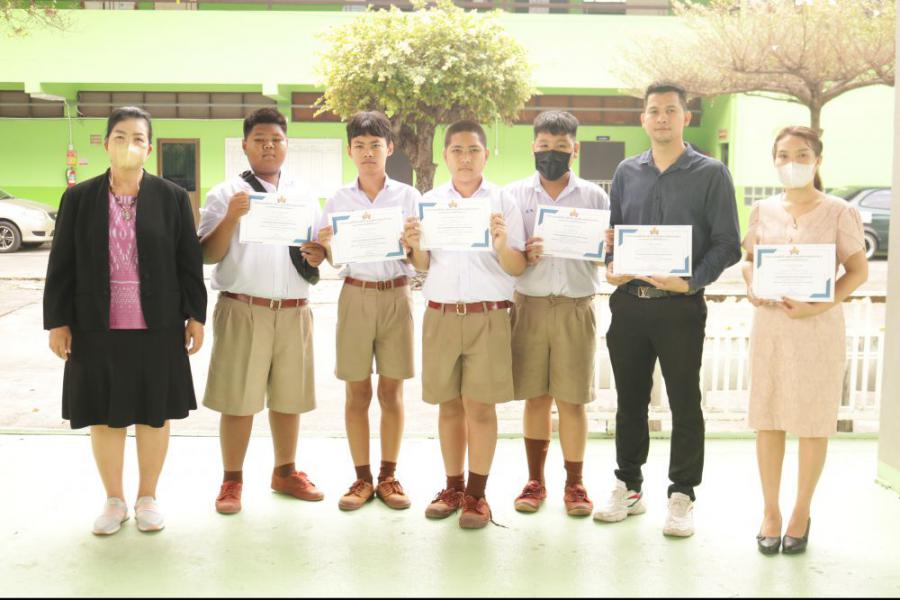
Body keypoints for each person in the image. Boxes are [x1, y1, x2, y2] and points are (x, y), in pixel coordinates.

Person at [43, 106, 206, 535]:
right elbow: (62, 264)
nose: (129, 144)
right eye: (120, 136)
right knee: (104, 414)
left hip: (159, 324)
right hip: (95, 324)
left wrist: (195, 315)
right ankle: (114, 500)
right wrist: (58, 321)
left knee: (154, 413)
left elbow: (188, 261)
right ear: (107, 144)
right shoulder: (79, 198)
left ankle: (147, 497)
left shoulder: (172, 197)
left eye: (138, 138)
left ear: (149, 148)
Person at [595, 81, 741, 537]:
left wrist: (692, 280)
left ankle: (682, 494)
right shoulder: (626, 172)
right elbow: (615, 234)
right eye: (654, 110)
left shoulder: (711, 173)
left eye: (670, 110)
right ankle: (628, 486)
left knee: (684, 402)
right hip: (629, 306)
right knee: (629, 402)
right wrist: (610, 264)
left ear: (685, 118)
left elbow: (728, 244)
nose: (661, 118)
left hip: (680, 307)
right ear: (643, 119)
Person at [742, 126, 867, 555]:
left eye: (801, 155)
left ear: (817, 161)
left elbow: (858, 271)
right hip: (771, 328)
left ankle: (800, 511)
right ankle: (770, 512)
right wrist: (752, 283)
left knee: (813, 420)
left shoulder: (839, 212)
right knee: (769, 417)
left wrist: (819, 306)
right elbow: (749, 260)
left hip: (818, 329)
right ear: (774, 161)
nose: (791, 163)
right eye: (783, 155)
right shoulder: (762, 210)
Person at [199, 107, 326, 515]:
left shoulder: (304, 194)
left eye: (276, 140)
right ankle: (231, 481)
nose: (269, 146)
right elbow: (206, 254)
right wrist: (232, 218)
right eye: (260, 140)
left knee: (289, 398)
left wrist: (319, 253)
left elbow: (317, 249)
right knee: (238, 400)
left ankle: (285, 471)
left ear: (287, 144)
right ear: (245, 145)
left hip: (294, 310)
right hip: (244, 308)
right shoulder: (226, 193)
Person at [403, 120, 527, 529]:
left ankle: (477, 494)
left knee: (481, 407)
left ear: (485, 155)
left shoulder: (503, 201)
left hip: (487, 316)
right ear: (445, 156)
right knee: (449, 406)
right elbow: (423, 265)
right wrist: (414, 247)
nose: (465, 158)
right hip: (440, 314)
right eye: (457, 150)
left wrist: (501, 245)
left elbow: (518, 266)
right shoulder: (431, 202)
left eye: (473, 150)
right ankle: (453, 487)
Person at [504, 110, 609, 517]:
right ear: (533, 146)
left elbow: (605, 259)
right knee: (535, 398)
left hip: (575, 308)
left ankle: (575, 483)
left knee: (573, 401)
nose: (552, 153)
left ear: (574, 150)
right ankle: (535, 481)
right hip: (528, 306)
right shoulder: (514, 195)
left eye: (561, 147)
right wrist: (523, 253)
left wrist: (606, 247)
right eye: (545, 145)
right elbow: (506, 256)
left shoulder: (595, 198)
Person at [316, 111, 421, 511]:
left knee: (392, 391)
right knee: (357, 391)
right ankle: (361, 478)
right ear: (349, 151)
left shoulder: (408, 197)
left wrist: (411, 245)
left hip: (396, 294)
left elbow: (420, 256)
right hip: (355, 294)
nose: (367, 153)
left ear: (389, 148)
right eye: (359, 146)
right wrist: (327, 246)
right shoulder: (338, 200)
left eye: (375, 145)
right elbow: (332, 259)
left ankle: (389, 477)